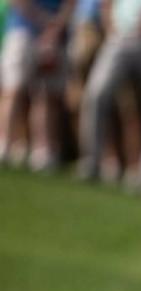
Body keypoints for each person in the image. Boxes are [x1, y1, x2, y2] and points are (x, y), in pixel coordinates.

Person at [78, 0, 141, 189]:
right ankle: (91, 162)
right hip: (119, 40)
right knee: (97, 94)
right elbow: (107, 4)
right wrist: (111, 29)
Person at [0, 0, 76, 170]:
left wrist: (55, 27)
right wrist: (45, 21)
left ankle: (42, 152)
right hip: (22, 31)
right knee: (13, 89)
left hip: (55, 38)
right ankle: (4, 143)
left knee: (46, 95)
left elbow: (71, 3)